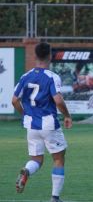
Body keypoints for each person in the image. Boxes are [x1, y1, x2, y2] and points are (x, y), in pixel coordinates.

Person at [12, 42, 72, 202]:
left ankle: (27, 170)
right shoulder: (52, 76)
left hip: (31, 125)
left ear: (35, 55)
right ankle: (55, 197)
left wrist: (25, 114)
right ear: (50, 56)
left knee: (36, 159)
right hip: (49, 124)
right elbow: (58, 100)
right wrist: (67, 115)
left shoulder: (25, 76)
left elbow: (14, 100)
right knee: (59, 158)